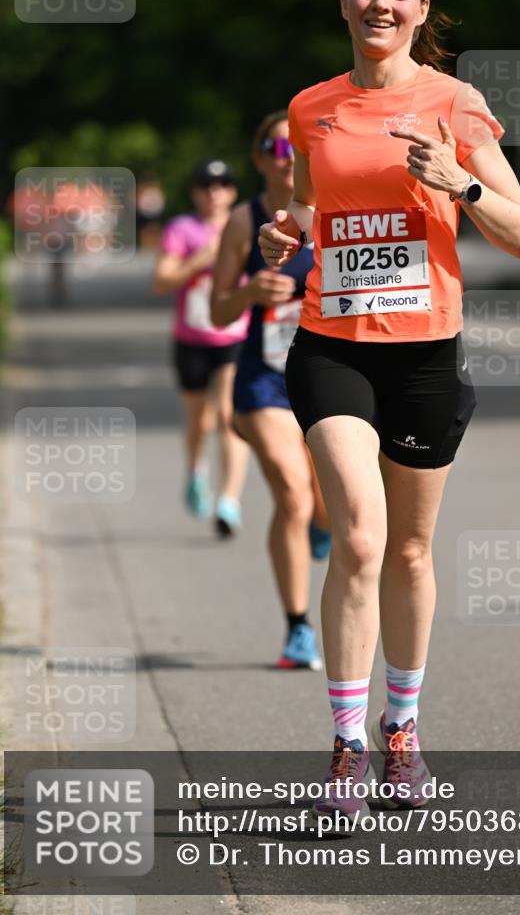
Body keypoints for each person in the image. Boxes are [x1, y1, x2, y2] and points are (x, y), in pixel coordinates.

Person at [259, 0, 520, 823]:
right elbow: (306, 208)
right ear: (343, 2)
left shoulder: (454, 104)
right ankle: (346, 746)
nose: (381, 4)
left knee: (411, 550)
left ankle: (402, 731)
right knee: (362, 539)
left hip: (424, 352)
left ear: (421, 10)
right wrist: (283, 239)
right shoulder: (311, 108)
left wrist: (458, 183)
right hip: (332, 344)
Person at [210, 111, 331, 670]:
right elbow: (216, 309)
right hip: (263, 379)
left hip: (329, 371)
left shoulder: (335, 207)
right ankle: (297, 627)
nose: (287, 155)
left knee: (329, 507)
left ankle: (321, 526)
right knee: (291, 489)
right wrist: (251, 291)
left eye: (297, 144)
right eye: (276, 146)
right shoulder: (243, 221)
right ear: (260, 158)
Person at [153, 159, 250, 536]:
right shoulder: (183, 229)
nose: (215, 193)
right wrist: (200, 259)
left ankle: (229, 500)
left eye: (223, 184)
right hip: (191, 339)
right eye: (207, 186)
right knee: (200, 420)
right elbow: (161, 281)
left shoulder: (244, 224)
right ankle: (196, 470)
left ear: (233, 191)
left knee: (228, 416)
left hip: (234, 337)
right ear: (195, 192)